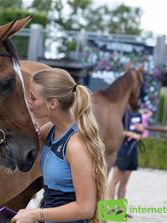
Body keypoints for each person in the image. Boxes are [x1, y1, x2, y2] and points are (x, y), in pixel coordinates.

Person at [10, 68, 107, 223]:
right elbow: (24, 144)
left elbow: (86, 208)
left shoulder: (76, 146)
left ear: (52, 104)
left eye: (33, 98)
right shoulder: (51, 129)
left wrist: (36, 214)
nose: (29, 102)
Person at [108, 106, 144, 208]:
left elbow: (140, 132)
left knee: (124, 182)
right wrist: (130, 134)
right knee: (114, 180)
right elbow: (115, 131)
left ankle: (120, 209)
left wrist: (140, 131)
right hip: (122, 151)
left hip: (133, 151)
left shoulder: (138, 113)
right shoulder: (123, 111)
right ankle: (111, 208)